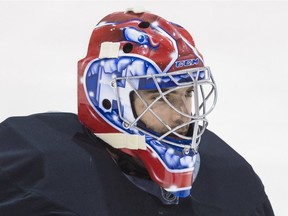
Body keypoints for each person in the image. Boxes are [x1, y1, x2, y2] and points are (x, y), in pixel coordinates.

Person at [0, 9, 274, 216]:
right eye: (160, 97)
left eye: (188, 93)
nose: (183, 115)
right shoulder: (40, 171)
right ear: (109, 99)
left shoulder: (234, 183)